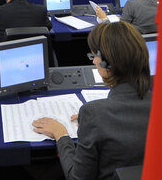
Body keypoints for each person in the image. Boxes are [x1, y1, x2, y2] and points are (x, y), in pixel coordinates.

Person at [32, 22, 152, 180]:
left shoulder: (94, 113)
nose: (94, 61)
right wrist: (90, 122)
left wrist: (61, 134)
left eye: (94, 55)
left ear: (106, 63)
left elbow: (77, 177)